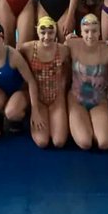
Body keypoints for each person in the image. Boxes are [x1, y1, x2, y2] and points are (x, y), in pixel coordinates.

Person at [63, 14, 108, 150]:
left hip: (99, 100)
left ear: (99, 31)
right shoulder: (71, 45)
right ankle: (78, 123)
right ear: (80, 32)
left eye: (94, 31)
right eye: (86, 31)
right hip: (76, 99)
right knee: (85, 142)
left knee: (104, 143)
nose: (90, 35)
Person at [17, 16, 71, 148]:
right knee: (42, 142)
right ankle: (31, 114)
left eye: (51, 32)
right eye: (43, 32)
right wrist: (34, 108)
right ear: (37, 32)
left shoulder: (63, 50)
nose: (47, 37)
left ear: (55, 32)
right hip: (38, 99)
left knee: (59, 142)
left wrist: (63, 92)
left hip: (56, 98)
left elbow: (69, 70)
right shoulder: (28, 49)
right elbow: (14, 56)